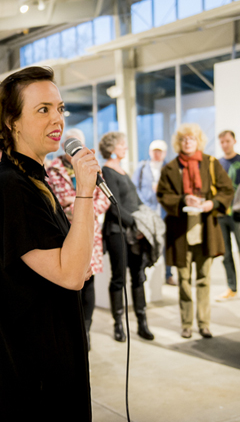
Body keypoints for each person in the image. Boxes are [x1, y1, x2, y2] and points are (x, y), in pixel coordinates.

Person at [0, 66, 97, 421]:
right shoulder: (11, 188)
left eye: (59, 108)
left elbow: (67, 261)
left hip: (46, 353)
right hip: (31, 368)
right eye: (43, 109)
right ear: (12, 121)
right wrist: (85, 191)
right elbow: (71, 274)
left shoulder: (31, 180)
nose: (56, 119)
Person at [157, 123, 233, 339]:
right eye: (184, 139)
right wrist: (183, 200)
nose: (187, 142)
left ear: (198, 141)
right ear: (178, 142)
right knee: (183, 281)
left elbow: (227, 189)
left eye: (191, 138)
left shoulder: (210, 163)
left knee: (204, 280)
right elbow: (163, 195)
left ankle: (204, 323)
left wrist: (213, 204)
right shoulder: (171, 167)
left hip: (206, 231)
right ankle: (187, 324)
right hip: (181, 232)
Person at [47, 128, 110, 349]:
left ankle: (86, 329)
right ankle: (69, 331)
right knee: (68, 282)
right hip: (64, 233)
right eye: (69, 143)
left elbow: (103, 197)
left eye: (77, 143)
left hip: (90, 231)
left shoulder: (91, 165)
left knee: (88, 281)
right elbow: (52, 200)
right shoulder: (51, 169)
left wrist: (86, 210)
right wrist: (73, 207)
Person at [100, 131, 155, 343]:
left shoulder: (122, 171)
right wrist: (136, 223)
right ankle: (119, 325)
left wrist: (146, 220)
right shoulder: (107, 171)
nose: (125, 148)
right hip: (118, 232)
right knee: (119, 278)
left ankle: (142, 323)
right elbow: (114, 206)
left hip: (135, 233)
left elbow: (135, 200)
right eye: (122, 145)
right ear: (113, 148)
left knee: (139, 276)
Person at [132, 139, 176, 285]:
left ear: (164, 153)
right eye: (155, 151)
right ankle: (146, 273)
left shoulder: (170, 168)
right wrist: (143, 205)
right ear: (150, 152)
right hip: (147, 211)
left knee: (167, 243)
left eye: (160, 151)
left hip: (165, 212)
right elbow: (135, 188)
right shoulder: (142, 167)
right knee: (147, 241)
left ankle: (168, 274)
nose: (157, 154)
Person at [216, 130, 240, 302]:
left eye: (227, 141)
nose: (225, 144)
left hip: (239, 215)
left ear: (234, 140)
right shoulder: (218, 164)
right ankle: (231, 287)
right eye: (222, 142)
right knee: (226, 254)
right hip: (221, 214)